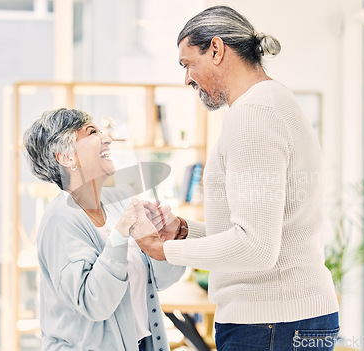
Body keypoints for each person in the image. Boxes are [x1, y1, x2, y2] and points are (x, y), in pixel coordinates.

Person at [130, 5, 340, 351]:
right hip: (285, 319)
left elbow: (255, 248)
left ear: (216, 49)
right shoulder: (274, 101)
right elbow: (262, 229)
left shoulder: (253, 116)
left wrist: (164, 249)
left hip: (269, 323)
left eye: (187, 64)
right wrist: (185, 230)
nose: (186, 79)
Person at [22, 108, 185, 351]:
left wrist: (163, 241)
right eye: (92, 132)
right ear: (66, 157)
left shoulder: (118, 199)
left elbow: (161, 280)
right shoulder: (60, 220)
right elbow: (94, 303)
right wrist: (120, 236)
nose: (106, 138)